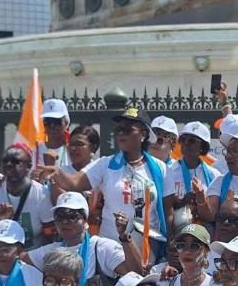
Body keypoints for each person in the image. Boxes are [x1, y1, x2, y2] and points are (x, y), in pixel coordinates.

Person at [42, 106, 171, 250]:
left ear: (143, 134)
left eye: (127, 130)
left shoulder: (160, 168)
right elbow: (75, 182)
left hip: (148, 249)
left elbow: (168, 212)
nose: (121, 133)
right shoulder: (105, 165)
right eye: (118, 129)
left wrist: (170, 246)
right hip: (111, 249)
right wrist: (57, 173)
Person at [22, 192, 141, 286]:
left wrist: (124, 236)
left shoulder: (101, 247)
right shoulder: (51, 251)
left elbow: (135, 274)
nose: (65, 222)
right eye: (59, 217)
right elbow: (18, 260)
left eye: (72, 216)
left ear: (85, 220)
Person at [0, 145, 53, 249]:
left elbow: (50, 237)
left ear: (28, 166)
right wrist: (0, 222)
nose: (9, 165)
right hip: (2, 255)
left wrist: (32, 257)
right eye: (5, 161)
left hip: (35, 255)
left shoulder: (42, 195)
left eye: (16, 161)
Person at [165, 121, 222, 233]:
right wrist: (182, 202)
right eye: (183, 139)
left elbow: (216, 210)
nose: (186, 143)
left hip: (206, 231)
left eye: (192, 141)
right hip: (178, 231)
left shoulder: (214, 175)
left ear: (202, 146)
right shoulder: (168, 172)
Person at [41, 98, 72, 168]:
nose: (52, 126)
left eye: (57, 121)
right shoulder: (34, 150)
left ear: (66, 124)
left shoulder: (73, 151)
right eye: (48, 122)